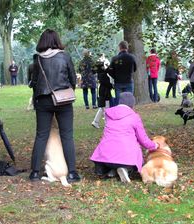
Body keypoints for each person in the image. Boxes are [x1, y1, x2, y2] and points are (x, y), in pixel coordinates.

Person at [29, 29, 80, 183]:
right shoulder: (65, 57)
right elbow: (72, 79)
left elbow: (35, 82)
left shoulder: (37, 59)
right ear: (57, 40)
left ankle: (35, 173)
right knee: (67, 135)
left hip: (43, 101)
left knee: (41, 135)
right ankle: (72, 173)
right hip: (63, 100)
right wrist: (66, 90)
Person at [90, 92, 159, 183]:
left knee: (110, 148)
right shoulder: (134, 117)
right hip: (126, 157)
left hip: (105, 157)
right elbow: (143, 140)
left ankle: (109, 170)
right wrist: (154, 145)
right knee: (133, 151)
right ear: (132, 104)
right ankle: (126, 169)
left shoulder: (108, 114)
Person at [91, 54, 114, 129]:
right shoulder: (102, 74)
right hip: (105, 92)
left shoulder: (100, 74)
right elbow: (106, 83)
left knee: (102, 107)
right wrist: (111, 86)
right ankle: (106, 123)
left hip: (103, 91)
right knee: (106, 107)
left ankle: (96, 121)